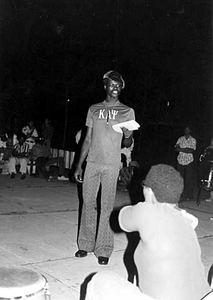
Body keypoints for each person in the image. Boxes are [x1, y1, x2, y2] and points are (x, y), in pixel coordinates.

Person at [85, 164, 211, 300]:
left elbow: (122, 219)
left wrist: (144, 206)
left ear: (150, 191)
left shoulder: (147, 211)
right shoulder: (186, 221)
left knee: (100, 280)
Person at [74, 70, 135, 265]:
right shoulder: (93, 109)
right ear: (105, 86)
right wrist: (78, 165)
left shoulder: (127, 111)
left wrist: (128, 134)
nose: (115, 88)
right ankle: (85, 244)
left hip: (111, 165)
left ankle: (104, 249)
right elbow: (87, 139)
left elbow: (127, 143)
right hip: (92, 163)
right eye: (112, 84)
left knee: (107, 207)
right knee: (88, 203)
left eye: (118, 85)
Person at [174, 126, 196, 200]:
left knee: (189, 179)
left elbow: (192, 150)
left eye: (188, 129)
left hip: (189, 161)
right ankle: (180, 194)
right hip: (180, 160)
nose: (187, 130)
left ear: (190, 131)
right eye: (185, 129)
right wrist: (186, 149)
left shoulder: (193, 140)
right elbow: (176, 149)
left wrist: (181, 149)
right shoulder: (180, 139)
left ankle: (189, 196)